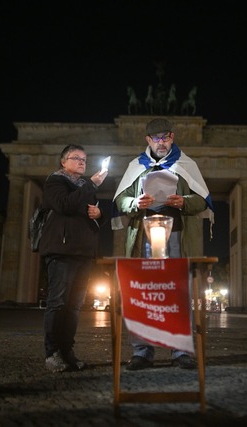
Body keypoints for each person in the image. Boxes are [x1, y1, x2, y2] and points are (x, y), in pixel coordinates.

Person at [112, 118, 213, 370]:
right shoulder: (136, 166)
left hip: (176, 235)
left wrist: (184, 202)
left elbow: (202, 200)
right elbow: (121, 199)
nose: (161, 142)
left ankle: (180, 352)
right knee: (144, 294)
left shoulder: (186, 164)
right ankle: (142, 351)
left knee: (178, 292)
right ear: (147, 140)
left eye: (166, 137)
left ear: (173, 137)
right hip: (143, 237)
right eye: (156, 138)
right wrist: (135, 203)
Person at [39, 144, 109, 372]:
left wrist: (99, 214)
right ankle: (52, 353)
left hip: (83, 252)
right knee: (57, 303)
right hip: (61, 249)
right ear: (63, 161)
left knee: (75, 306)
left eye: (84, 159)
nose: (82, 162)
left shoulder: (84, 186)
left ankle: (67, 351)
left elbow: (91, 216)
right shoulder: (55, 182)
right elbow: (65, 206)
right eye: (76, 158)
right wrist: (91, 184)